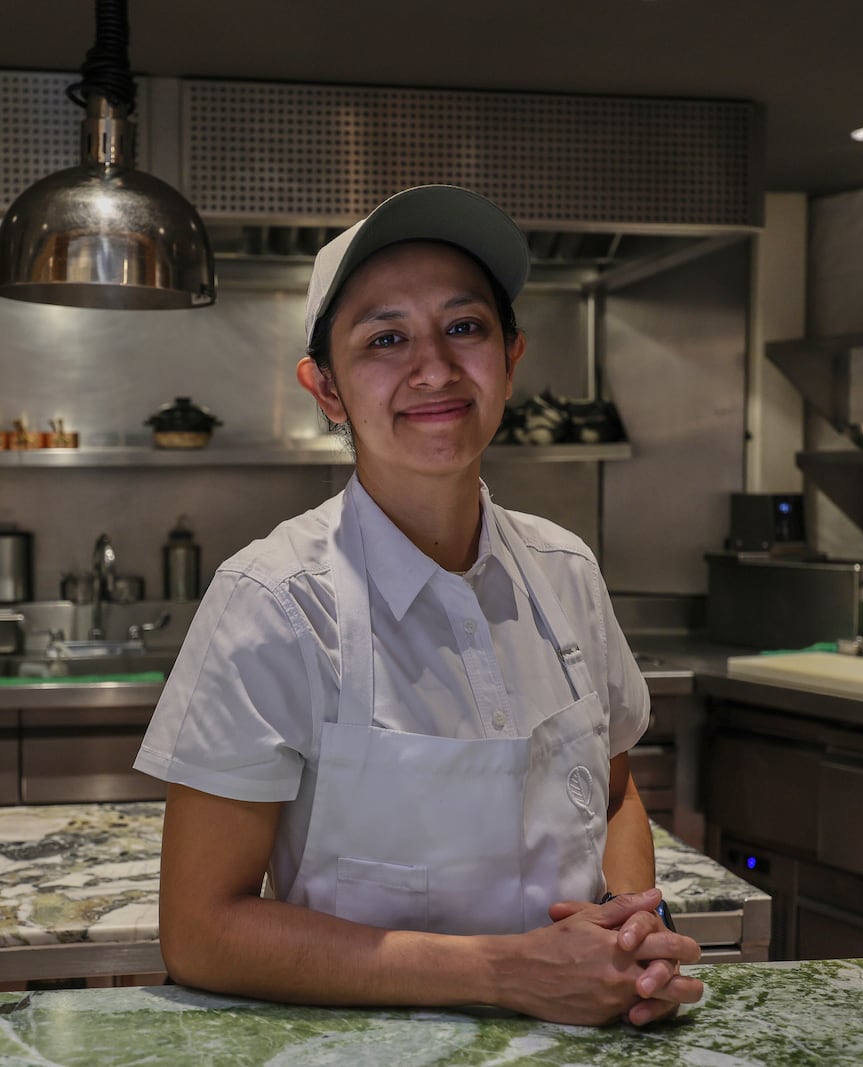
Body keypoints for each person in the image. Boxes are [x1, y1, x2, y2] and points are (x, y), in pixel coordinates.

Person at [133, 185, 703, 1027]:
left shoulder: (566, 570)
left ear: (511, 357)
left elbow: (614, 790)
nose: (434, 367)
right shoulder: (275, 601)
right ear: (325, 389)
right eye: (386, 338)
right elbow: (201, 930)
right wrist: (508, 972)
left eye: (464, 328)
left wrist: (629, 930)